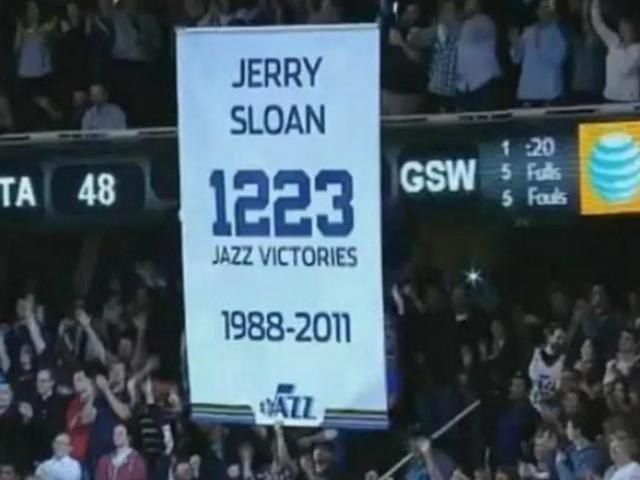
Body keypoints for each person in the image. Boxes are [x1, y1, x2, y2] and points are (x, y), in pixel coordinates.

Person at [510, 0, 568, 106]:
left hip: (549, 93)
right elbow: (516, 59)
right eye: (541, 8)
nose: (543, 11)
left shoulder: (559, 32)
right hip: (528, 93)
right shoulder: (528, 31)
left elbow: (558, 59)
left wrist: (539, 43)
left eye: (547, 7)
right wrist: (515, 43)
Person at [456, 0, 502, 112]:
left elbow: (470, 32)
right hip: (464, 84)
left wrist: (459, 17)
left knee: (484, 119)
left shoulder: (485, 22)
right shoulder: (462, 24)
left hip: (483, 81)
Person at [591, 0, 640, 102]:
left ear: (634, 29)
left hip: (628, 100)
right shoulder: (614, 41)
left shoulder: (637, 49)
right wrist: (595, 4)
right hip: (610, 97)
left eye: (627, 26)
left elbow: (626, 67)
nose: (623, 29)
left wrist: (621, 48)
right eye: (622, 26)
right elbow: (598, 24)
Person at [31, 368, 69, 461]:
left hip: (52, 452)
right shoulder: (33, 400)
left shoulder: (59, 402)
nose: (39, 384)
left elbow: (55, 428)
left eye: (43, 381)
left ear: (52, 383)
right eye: (38, 381)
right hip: (35, 451)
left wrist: (33, 417)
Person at [529, 324, 567, 415]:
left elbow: (562, 390)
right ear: (550, 337)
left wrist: (553, 396)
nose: (560, 342)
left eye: (563, 339)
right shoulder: (534, 353)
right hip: (531, 402)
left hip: (551, 406)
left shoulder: (564, 360)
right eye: (558, 337)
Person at [555, 414, 607, 480]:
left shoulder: (592, 456)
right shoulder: (570, 450)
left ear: (577, 431)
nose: (566, 431)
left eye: (568, 427)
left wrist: (560, 465)